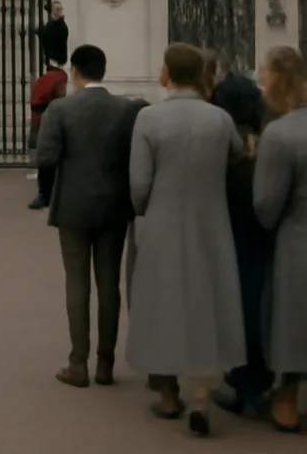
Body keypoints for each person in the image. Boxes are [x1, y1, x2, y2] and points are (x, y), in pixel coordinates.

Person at [126, 43, 246, 437]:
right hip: (211, 220)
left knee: (164, 301)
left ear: (168, 73)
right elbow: (235, 156)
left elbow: (139, 185)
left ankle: (168, 394)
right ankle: (200, 395)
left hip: (163, 218)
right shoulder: (219, 119)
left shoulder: (148, 118)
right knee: (204, 302)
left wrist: (147, 207)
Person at [35, 44, 133, 388]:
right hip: (114, 203)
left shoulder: (61, 109)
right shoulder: (126, 109)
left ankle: (78, 363)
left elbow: (45, 157)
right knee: (109, 283)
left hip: (74, 205)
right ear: (103, 70)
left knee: (76, 283)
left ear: (75, 70)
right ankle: (106, 363)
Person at [208, 71, 274, 419]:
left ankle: (241, 381)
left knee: (236, 311)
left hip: (230, 234)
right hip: (264, 237)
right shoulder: (264, 142)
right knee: (259, 308)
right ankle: (258, 380)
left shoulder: (224, 146)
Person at [253, 45, 307, 434]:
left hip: (296, 238)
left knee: (291, 321)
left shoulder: (280, 133)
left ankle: (286, 402)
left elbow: (267, 205)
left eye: (264, 76)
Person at [26, 57, 68, 210]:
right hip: (48, 118)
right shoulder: (58, 78)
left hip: (46, 120)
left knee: (45, 159)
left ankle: (45, 195)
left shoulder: (51, 79)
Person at [38, 1, 68, 67]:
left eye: (61, 9)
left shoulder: (62, 26)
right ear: (52, 10)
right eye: (58, 9)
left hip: (59, 60)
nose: (60, 11)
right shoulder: (49, 26)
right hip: (51, 60)